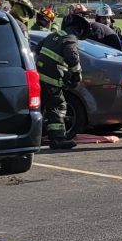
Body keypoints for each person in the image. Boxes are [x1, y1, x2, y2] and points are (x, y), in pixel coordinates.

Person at [35, 14, 84, 150]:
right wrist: (76, 73)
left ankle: (35, 136)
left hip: (39, 77)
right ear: (78, 30)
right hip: (51, 79)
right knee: (58, 106)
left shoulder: (52, 35)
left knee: (40, 107)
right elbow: (72, 56)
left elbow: (38, 48)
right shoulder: (71, 38)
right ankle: (58, 139)